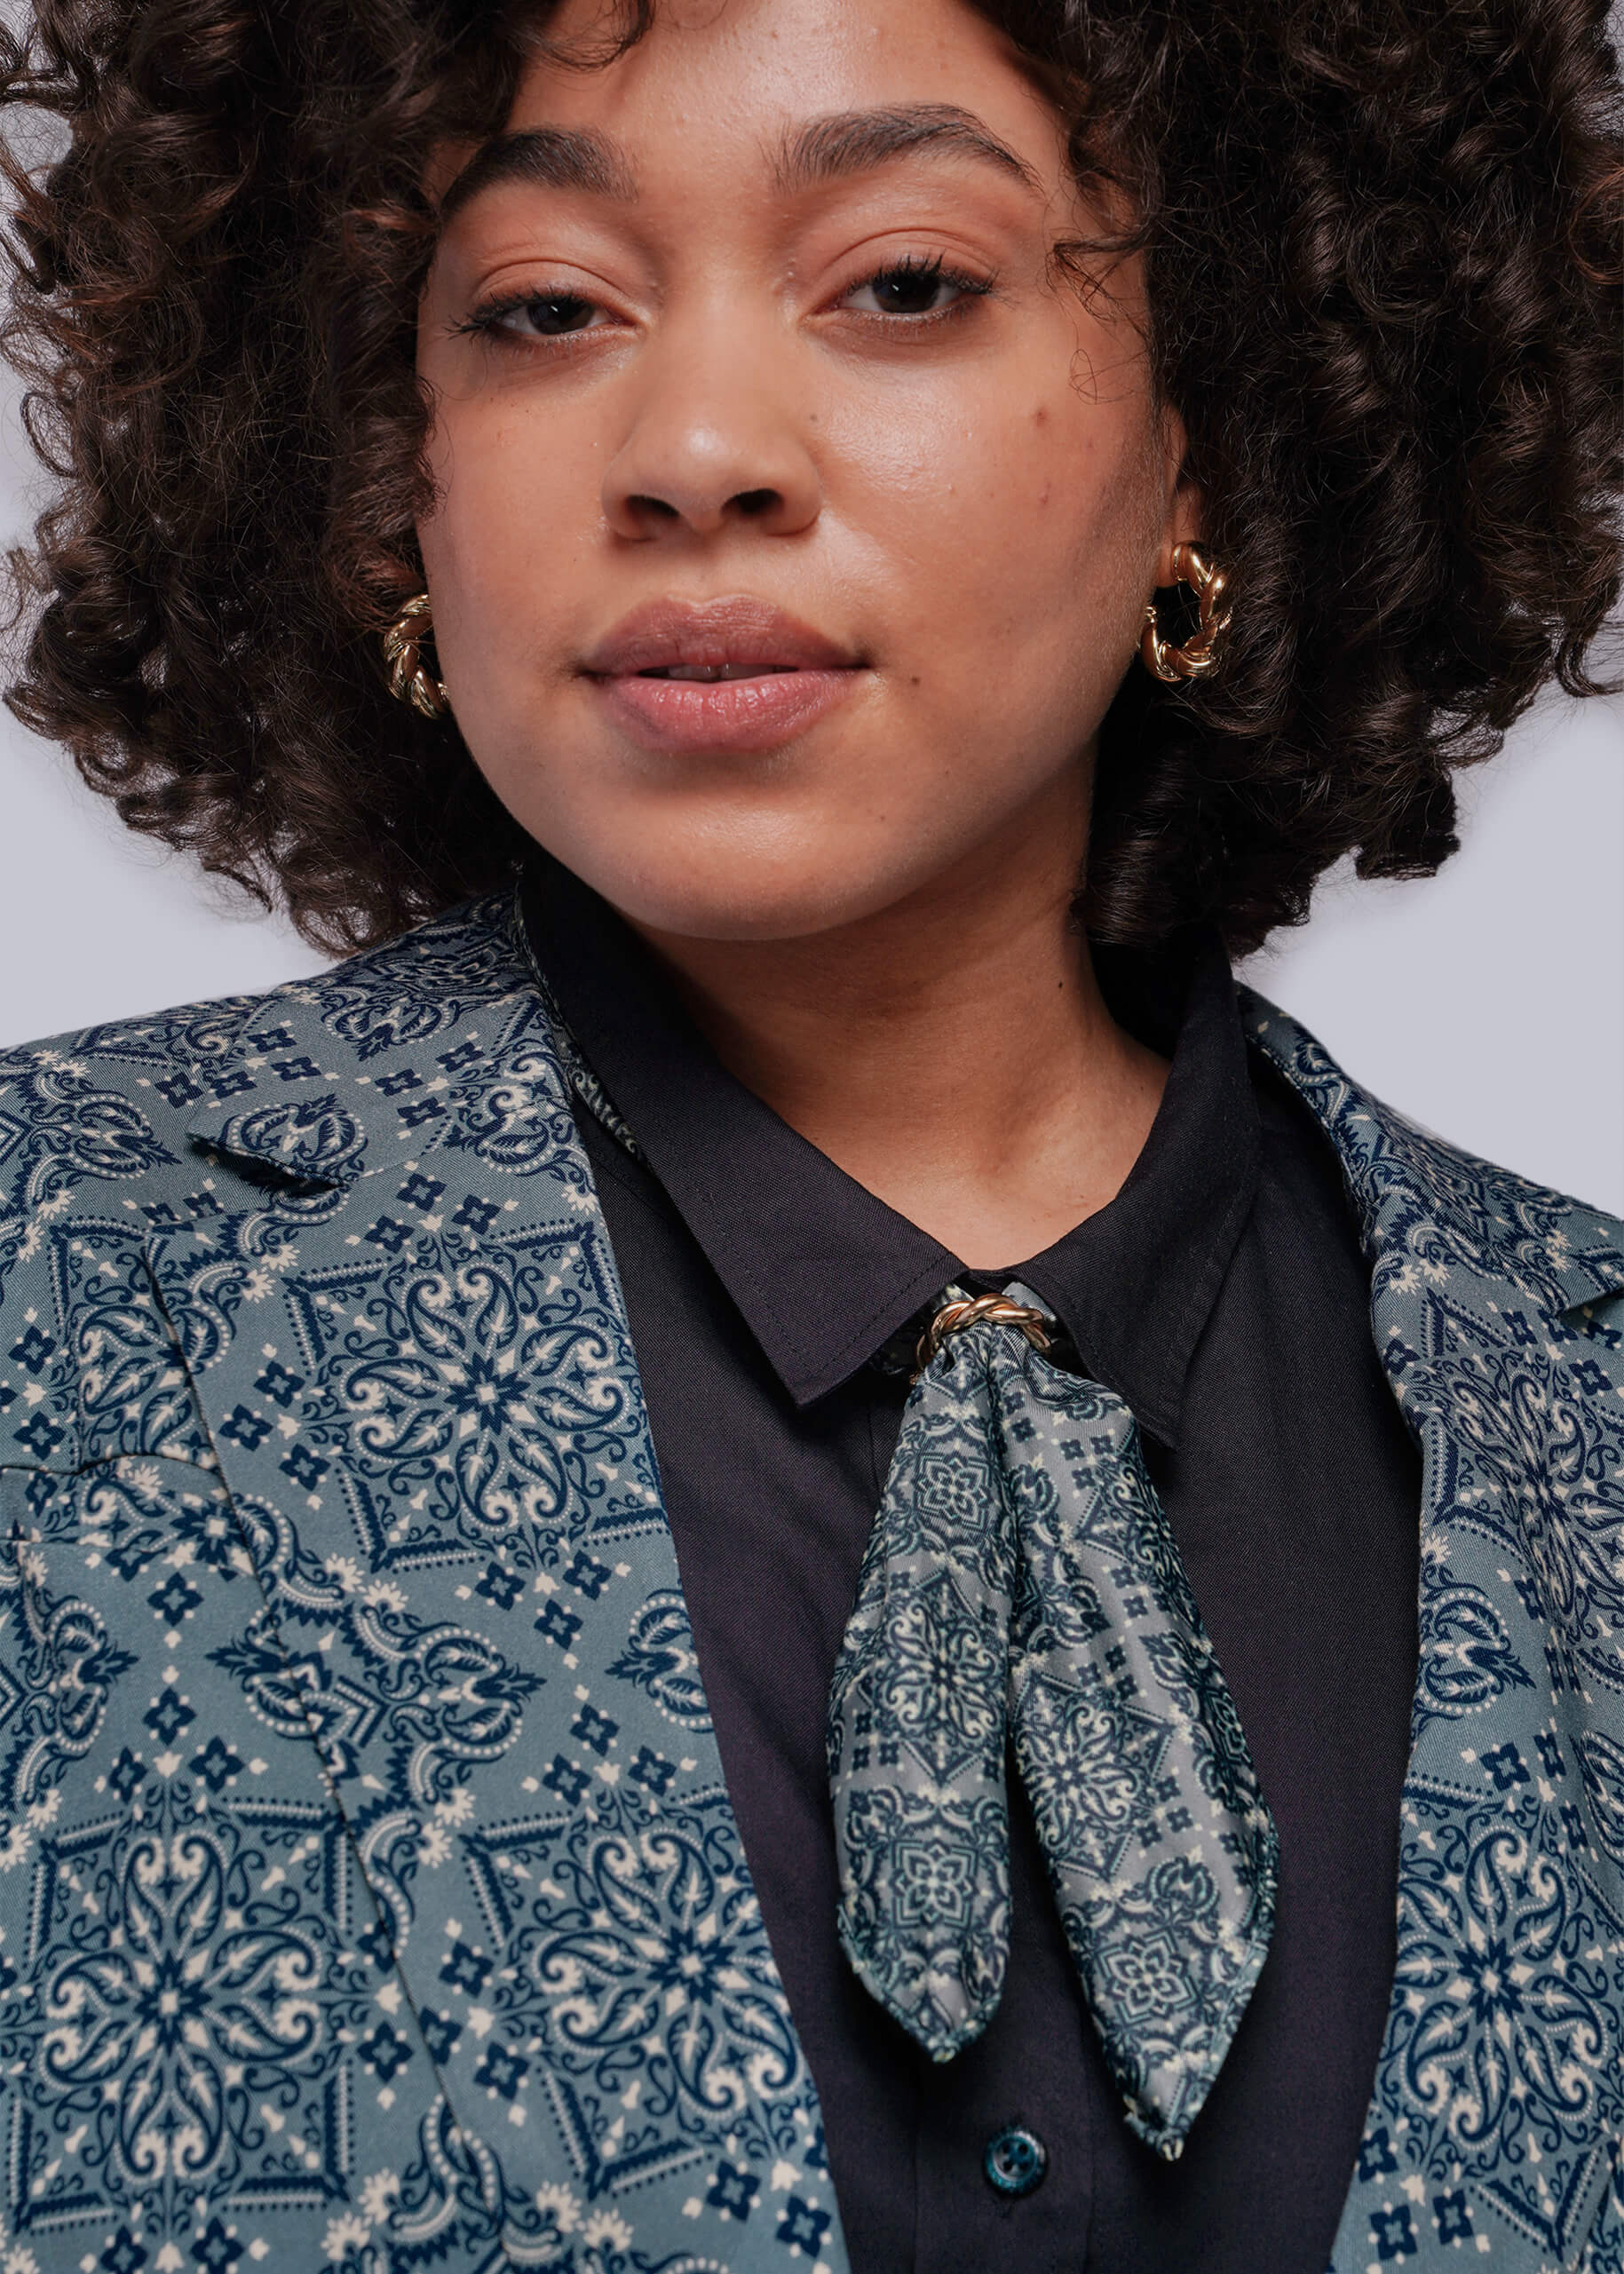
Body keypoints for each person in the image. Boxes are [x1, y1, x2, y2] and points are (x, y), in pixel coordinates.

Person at [0, 0, 1619, 2267]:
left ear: (1213, 437)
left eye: (903, 282)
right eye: (542, 308)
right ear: (389, 473)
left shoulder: (1587, 1410)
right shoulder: (55, 1284)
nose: (694, 450)